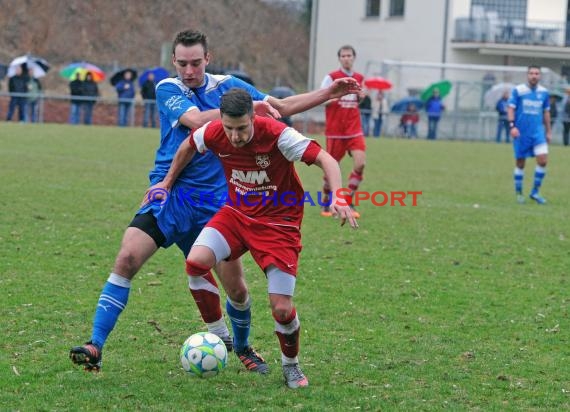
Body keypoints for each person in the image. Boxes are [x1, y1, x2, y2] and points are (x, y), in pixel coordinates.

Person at [69, 29, 359, 373]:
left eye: (195, 63)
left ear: (208, 59)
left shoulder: (227, 85)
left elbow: (278, 108)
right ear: (173, 62)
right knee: (128, 257)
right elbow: (194, 121)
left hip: (217, 202)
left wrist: (329, 92)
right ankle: (95, 344)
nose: (188, 70)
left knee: (236, 290)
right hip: (173, 194)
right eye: (182, 63)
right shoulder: (168, 88)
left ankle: (243, 347)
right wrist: (247, 109)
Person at [146, 88, 358, 388]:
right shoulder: (215, 131)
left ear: (253, 119)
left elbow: (326, 159)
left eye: (242, 128)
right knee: (196, 261)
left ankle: (291, 365)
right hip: (235, 215)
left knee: (282, 308)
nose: (234, 136)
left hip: (278, 225)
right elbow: (189, 145)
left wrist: (339, 196)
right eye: (229, 128)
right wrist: (167, 183)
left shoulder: (278, 135)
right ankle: (220, 335)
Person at [320, 44, 366, 219]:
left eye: (349, 55)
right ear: (339, 59)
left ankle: (348, 200)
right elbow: (321, 99)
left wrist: (362, 98)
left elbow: (360, 99)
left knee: (360, 163)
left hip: (354, 130)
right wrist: (335, 95)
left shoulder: (360, 78)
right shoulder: (331, 78)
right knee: (329, 169)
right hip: (335, 131)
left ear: (354, 58)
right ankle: (326, 199)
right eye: (343, 56)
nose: (347, 58)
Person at [507, 65, 551, 204]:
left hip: (537, 133)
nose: (534, 76)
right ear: (527, 75)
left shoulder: (544, 93)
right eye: (531, 73)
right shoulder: (518, 91)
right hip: (521, 133)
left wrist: (548, 131)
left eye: (536, 73)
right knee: (520, 164)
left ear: (540, 76)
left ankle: (535, 192)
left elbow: (546, 112)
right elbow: (511, 108)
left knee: (543, 161)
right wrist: (512, 126)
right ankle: (519, 193)